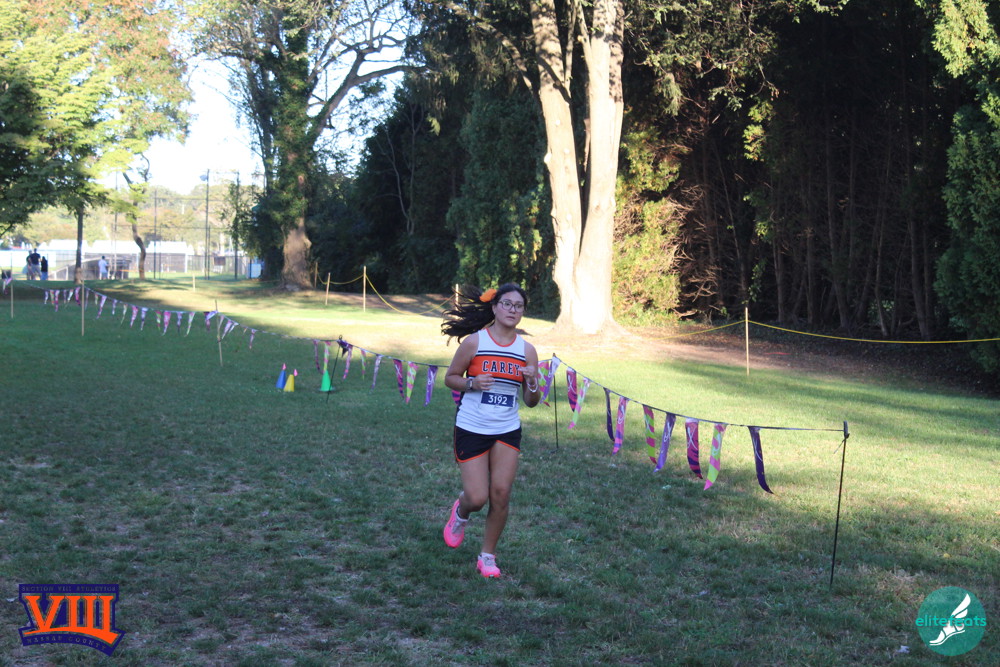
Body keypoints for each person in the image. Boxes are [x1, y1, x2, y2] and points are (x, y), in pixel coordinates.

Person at [440, 283, 540, 578]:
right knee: (477, 497)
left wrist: (532, 382)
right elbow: (450, 378)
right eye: (507, 304)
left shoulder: (527, 351)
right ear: (494, 307)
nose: (512, 310)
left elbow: (532, 401)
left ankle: (487, 556)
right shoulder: (475, 343)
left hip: (506, 429)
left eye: (518, 306)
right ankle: (461, 512)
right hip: (472, 426)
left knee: (501, 493)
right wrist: (472, 383)